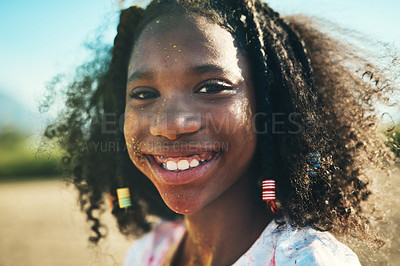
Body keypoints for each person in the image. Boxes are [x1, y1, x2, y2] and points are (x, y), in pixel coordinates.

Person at [43, 0, 399, 265]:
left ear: (269, 105)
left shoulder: (307, 261)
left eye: (211, 87)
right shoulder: (148, 254)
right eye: (144, 94)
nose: (168, 124)